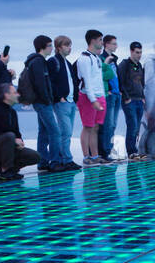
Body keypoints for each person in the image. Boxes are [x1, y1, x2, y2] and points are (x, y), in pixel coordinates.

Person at [0, 84, 39, 179]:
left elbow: (17, 133)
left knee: (35, 156)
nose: (18, 94)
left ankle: (10, 169)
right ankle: (6, 169)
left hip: (9, 147)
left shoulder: (12, 112)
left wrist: (20, 141)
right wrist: (13, 140)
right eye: (15, 92)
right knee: (9, 136)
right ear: (6, 95)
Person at [25, 34, 58, 170]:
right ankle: (55, 162)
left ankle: (43, 161)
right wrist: (47, 100)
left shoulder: (36, 61)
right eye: (50, 45)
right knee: (55, 131)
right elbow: (40, 84)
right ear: (42, 47)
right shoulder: (38, 62)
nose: (52, 48)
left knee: (43, 132)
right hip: (43, 102)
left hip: (40, 102)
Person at [47, 35, 80, 170]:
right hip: (62, 102)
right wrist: (59, 97)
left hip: (71, 101)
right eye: (67, 45)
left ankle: (63, 158)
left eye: (70, 45)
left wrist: (75, 98)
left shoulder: (67, 63)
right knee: (65, 131)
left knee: (68, 132)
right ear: (59, 47)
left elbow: (73, 81)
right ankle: (66, 159)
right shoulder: (53, 61)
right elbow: (51, 81)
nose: (69, 48)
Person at [75, 29, 107, 164]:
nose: (102, 42)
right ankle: (86, 156)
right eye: (100, 40)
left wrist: (101, 97)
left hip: (100, 95)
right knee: (87, 126)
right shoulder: (84, 58)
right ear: (93, 41)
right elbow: (87, 81)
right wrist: (93, 100)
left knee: (95, 127)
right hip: (87, 97)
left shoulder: (96, 58)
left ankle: (95, 155)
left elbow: (98, 80)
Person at [118, 41, 146, 160]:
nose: (139, 55)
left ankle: (135, 150)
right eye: (137, 52)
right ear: (131, 51)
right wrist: (126, 97)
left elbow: (142, 82)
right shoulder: (124, 64)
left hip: (139, 100)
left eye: (140, 52)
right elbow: (120, 81)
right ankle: (131, 151)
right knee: (132, 125)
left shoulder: (139, 65)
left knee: (137, 127)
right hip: (130, 101)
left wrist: (143, 97)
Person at [99, 35, 122, 160]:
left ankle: (109, 149)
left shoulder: (114, 59)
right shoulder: (102, 58)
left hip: (116, 94)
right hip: (109, 95)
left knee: (113, 125)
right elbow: (100, 74)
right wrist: (107, 90)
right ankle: (104, 151)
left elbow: (116, 76)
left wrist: (120, 91)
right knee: (107, 124)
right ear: (106, 44)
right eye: (113, 44)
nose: (116, 46)